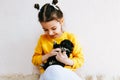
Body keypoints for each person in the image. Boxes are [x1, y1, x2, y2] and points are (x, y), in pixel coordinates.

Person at [32, 0, 84, 80]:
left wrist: (66, 61)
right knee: (53, 69)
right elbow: (35, 59)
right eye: (45, 30)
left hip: (66, 74)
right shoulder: (42, 39)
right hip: (49, 73)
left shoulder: (71, 37)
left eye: (54, 28)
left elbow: (80, 59)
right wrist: (48, 55)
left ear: (61, 21)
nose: (50, 33)